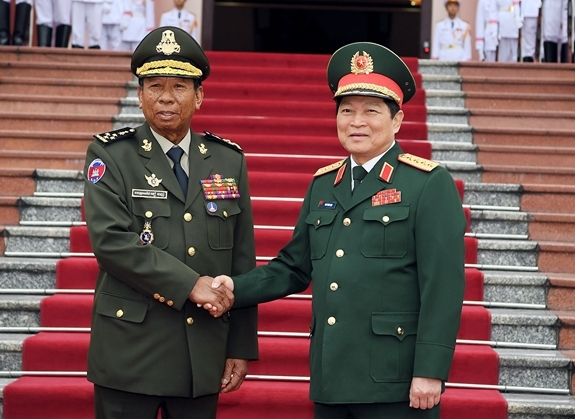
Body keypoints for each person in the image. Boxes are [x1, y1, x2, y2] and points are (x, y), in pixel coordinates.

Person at [211, 42, 466, 419]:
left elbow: (443, 286)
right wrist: (234, 287)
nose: (356, 122)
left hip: (396, 381)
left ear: (397, 120)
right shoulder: (324, 184)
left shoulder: (427, 183)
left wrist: (430, 371)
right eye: (346, 110)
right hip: (332, 375)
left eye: (371, 111)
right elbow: (293, 268)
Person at [83, 26, 259, 419]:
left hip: (203, 353)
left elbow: (242, 260)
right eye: (155, 85)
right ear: (140, 94)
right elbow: (111, 242)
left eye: (179, 86)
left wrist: (239, 347)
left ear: (199, 95)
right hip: (131, 353)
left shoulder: (228, 160)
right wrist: (189, 284)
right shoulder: (111, 155)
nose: (166, 97)